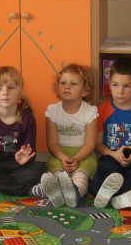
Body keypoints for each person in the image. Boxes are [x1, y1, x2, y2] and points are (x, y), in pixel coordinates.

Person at [0, 66, 46, 196]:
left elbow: (30, 150)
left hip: (17, 165)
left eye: (11, 87)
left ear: (20, 92)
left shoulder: (27, 118)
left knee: (40, 169)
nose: (5, 92)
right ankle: (27, 190)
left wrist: (24, 157)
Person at [93, 57, 131, 209]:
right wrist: (113, 154)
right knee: (106, 171)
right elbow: (98, 144)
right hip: (112, 155)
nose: (120, 91)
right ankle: (109, 194)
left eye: (126, 86)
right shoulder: (102, 110)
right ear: (109, 84)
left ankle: (123, 196)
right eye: (115, 85)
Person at [40, 64, 98, 208]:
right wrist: (62, 157)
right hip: (60, 153)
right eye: (63, 83)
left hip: (83, 154)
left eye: (73, 84)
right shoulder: (53, 111)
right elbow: (52, 143)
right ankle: (57, 192)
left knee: (82, 173)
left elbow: (90, 144)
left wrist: (77, 158)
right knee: (56, 169)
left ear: (84, 91)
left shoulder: (90, 112)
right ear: (57, 87)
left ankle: (76, 193)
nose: (67, 86)